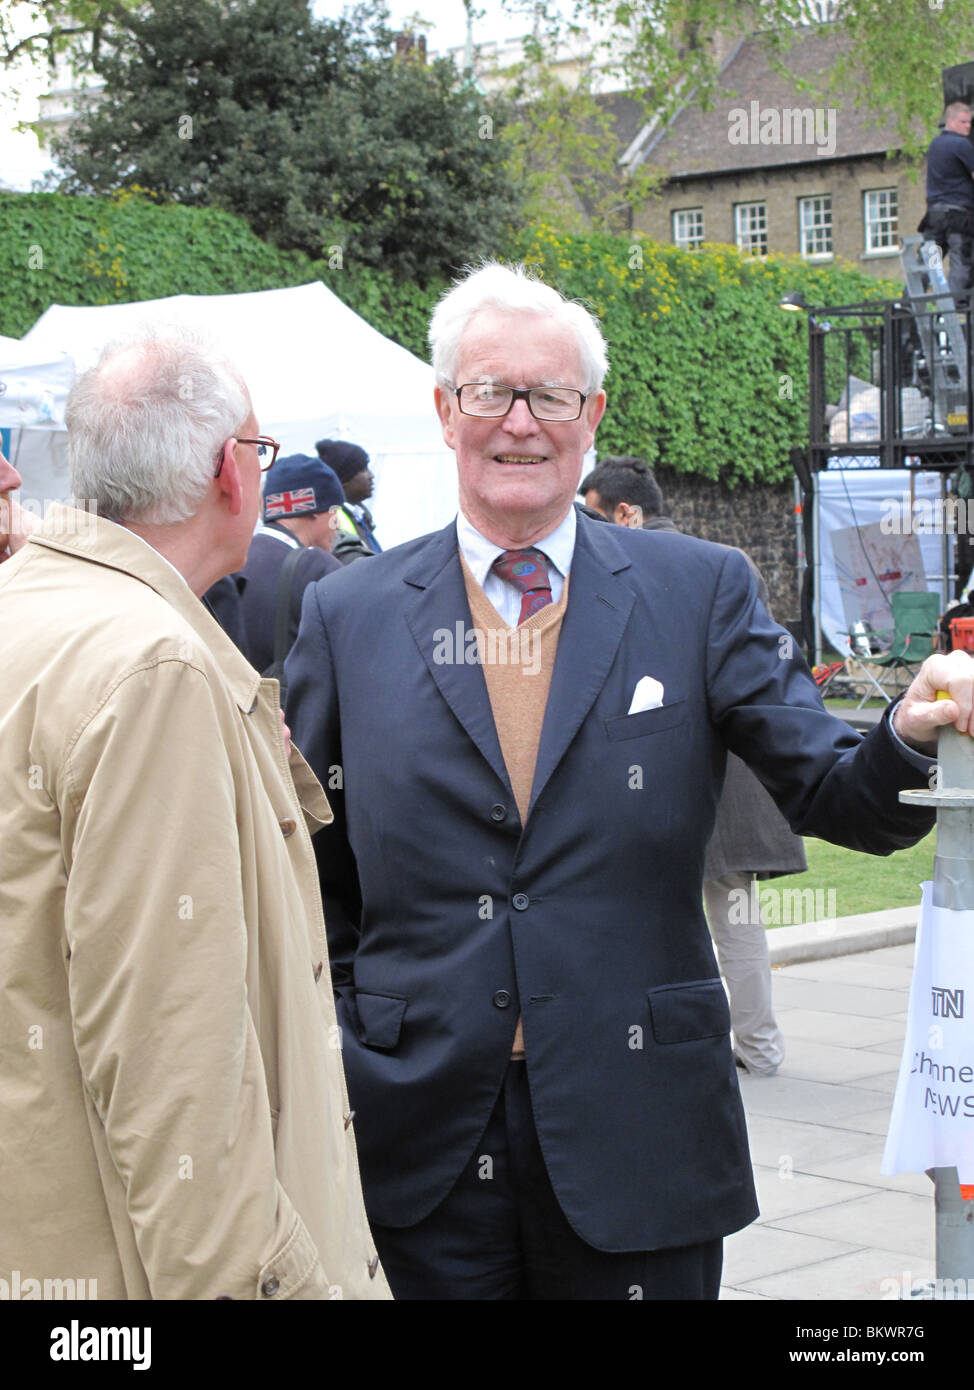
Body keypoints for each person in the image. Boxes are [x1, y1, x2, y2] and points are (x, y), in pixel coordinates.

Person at [286, 261, 967, 1302]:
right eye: (489, 392)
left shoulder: (694, 589)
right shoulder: (350, 612)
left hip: (636, 1126)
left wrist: (906, 726)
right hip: (415, 1138)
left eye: (549, 395)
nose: (519, 422)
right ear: (443, 408)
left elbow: (837, 795)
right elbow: (312, 870)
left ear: (590, 413)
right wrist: (351, 1030)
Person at [0, 327, 389, 1301]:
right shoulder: (152, 667)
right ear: (230, 471)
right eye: (258, 450)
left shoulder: (29, 608)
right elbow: (175, 1062)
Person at [580, 454, 806, 1076]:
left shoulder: (637, 573)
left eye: (591, 513)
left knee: (660, 913)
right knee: (736, 919)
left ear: (626, 512)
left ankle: (668, 1044)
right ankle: (756, 1047)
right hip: (731, 769)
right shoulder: (728, 565)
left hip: (678, 770)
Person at [236, 452, 344, 674]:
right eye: (335, 512)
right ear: (313, 511)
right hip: (293, 705)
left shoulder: (233, 559)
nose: (338, 525)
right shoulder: (316, 567)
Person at [920, 101, 974, 310]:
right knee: (961, 257)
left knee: (930, 260)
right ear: (950, 121)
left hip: (934, 214)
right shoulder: (962, 144)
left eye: (969, 122)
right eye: (963, 122)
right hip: (958, 213)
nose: (967, 126)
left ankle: (908, 301)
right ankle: (956, 305)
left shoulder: (934, 144)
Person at [315, 438, 382, 558]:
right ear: (344, 479)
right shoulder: (333, 520)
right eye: (363, 470)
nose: (371, 476)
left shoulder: (360, 515)